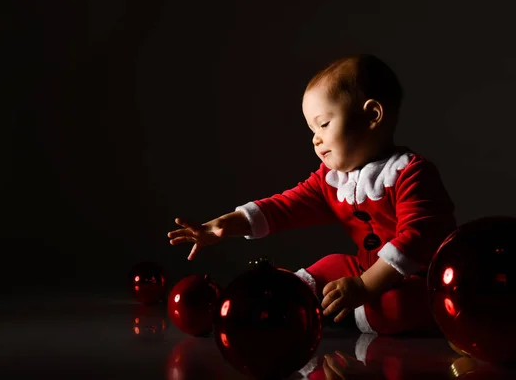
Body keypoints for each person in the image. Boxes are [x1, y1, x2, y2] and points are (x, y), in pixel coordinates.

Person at [167, 54, 456, 335]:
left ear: (372, 115)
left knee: (400, 304)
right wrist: (226, 224)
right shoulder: (333, 180)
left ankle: (340, 314)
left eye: (324, 124)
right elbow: (286, 207)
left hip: (419, 278)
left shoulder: (411, 173)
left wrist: (366, 286)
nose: (316, 139)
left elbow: (416, 240)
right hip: (363, 271)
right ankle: (290, 303)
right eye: (312, 129)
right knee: (330, 265)